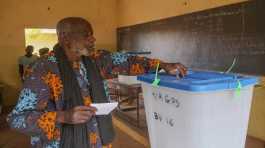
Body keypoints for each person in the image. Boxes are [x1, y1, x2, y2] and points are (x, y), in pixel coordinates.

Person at [7, 17, 187, 148]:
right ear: (64, 38)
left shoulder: (96, 60)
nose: (93, 39)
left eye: (92, 35)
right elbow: (17, 119)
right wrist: (63, 116)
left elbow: (129, 61)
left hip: (99, 141)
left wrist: (162, 65)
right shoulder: (43, 70)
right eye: (86, 35)